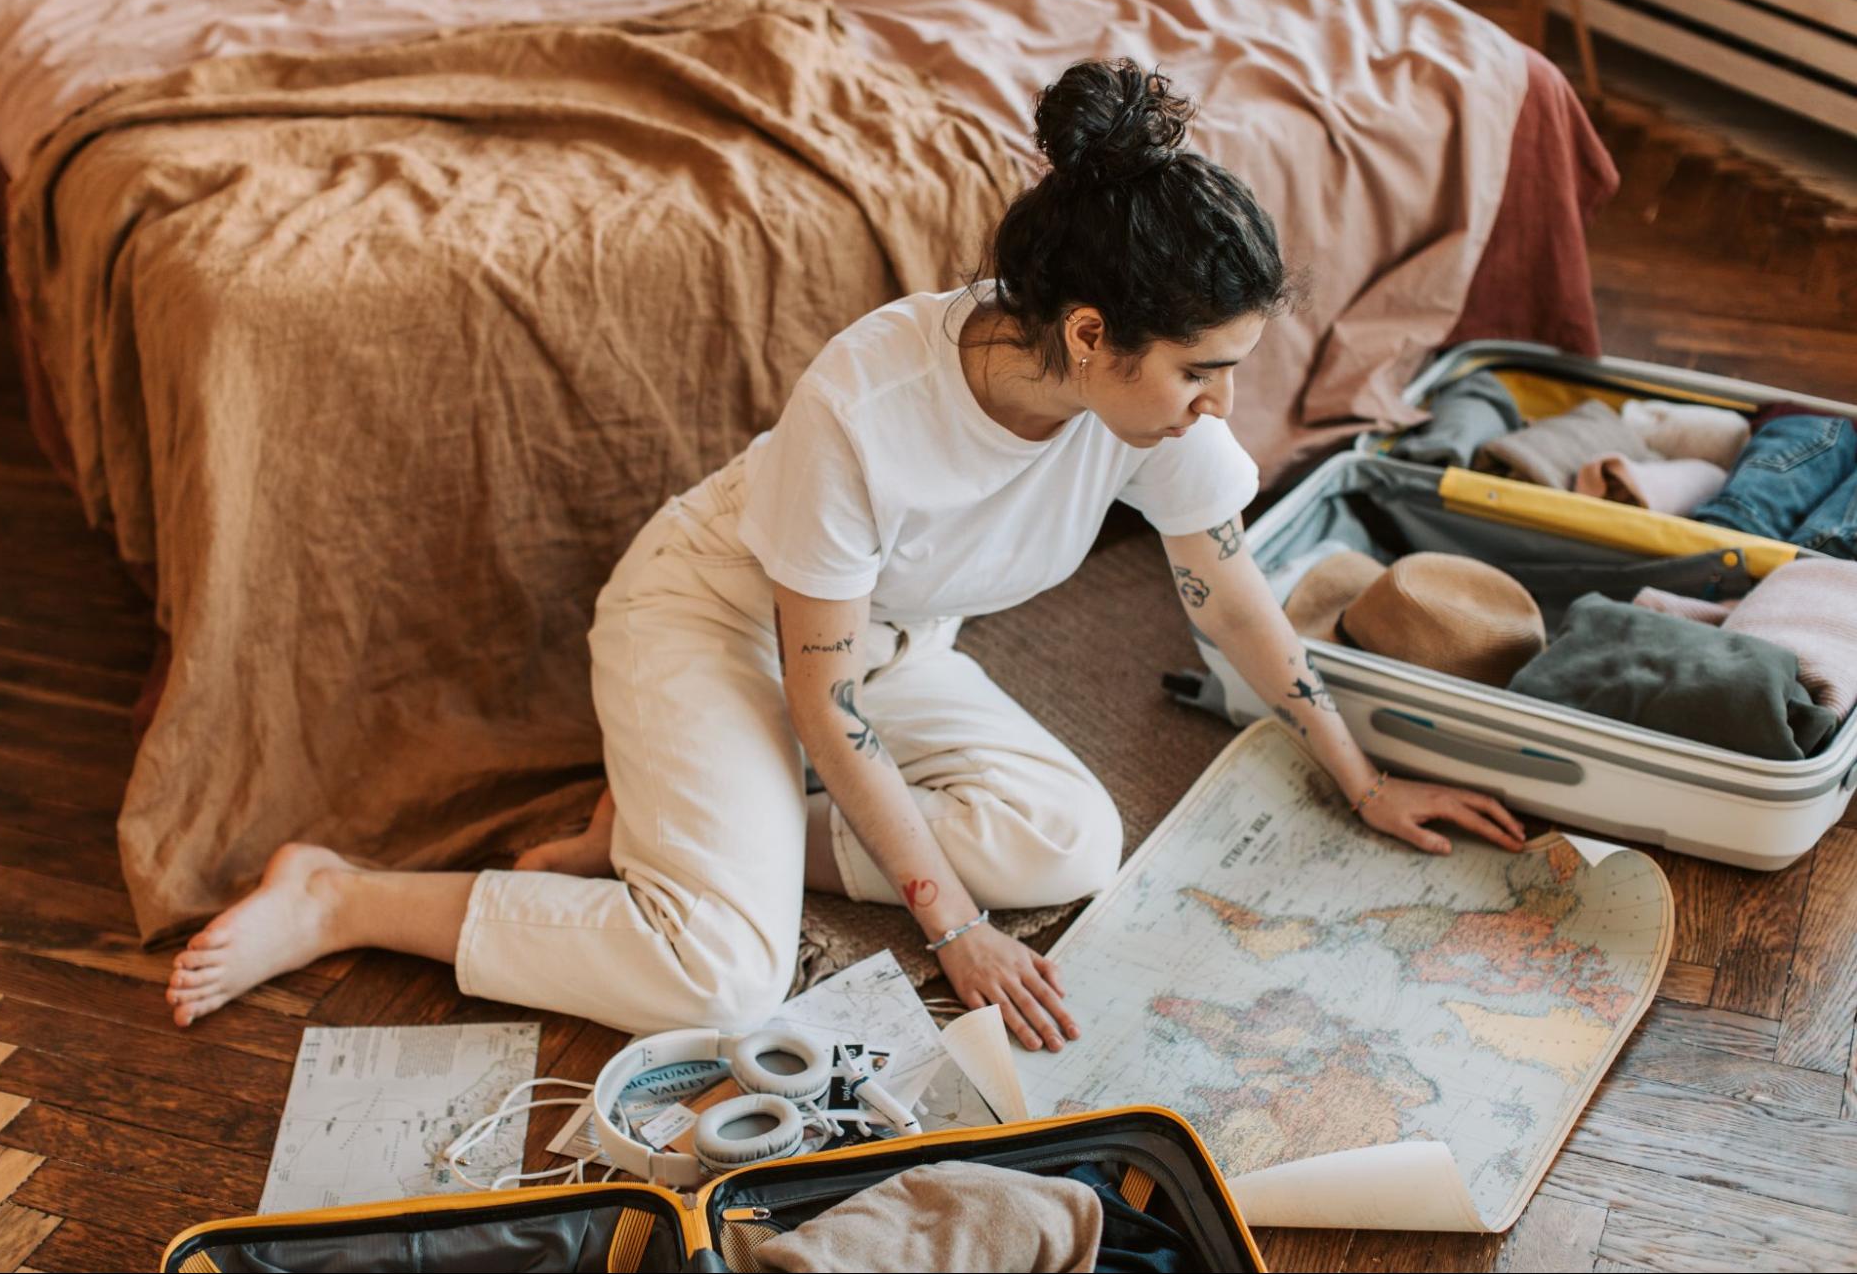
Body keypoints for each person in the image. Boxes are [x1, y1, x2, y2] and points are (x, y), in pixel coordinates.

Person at [166, 59, 1524, 1050]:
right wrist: (953, 931)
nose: (1225, 406)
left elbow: (1227, 591)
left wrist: (1359, 776)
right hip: (710, 626)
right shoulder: (867, 405)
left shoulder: (1138, 405)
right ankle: (344, 895)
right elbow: (824, 702)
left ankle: (668, 834)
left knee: (1070, 840)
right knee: (719, 981)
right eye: (1206, 372)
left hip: (888, 644)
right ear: (1096, 332)